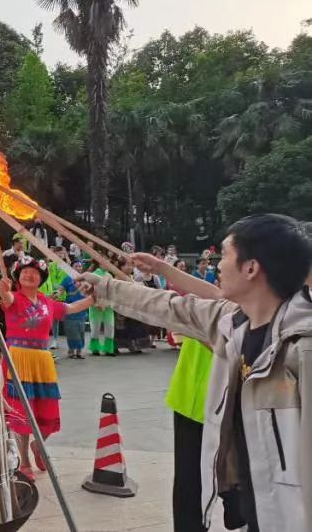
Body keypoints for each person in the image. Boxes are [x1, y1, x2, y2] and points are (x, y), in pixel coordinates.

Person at [80, 214, 312, 531]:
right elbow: (168, 305)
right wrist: (105, 288)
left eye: (226, 256)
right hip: (252, 495)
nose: (217, 265)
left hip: (292, 510)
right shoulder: (232, 322)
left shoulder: (301, 348)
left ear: (251, 268)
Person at [130, 251, 222, 532]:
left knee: (229, 484)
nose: (220, 268)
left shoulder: (250, 311)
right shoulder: (211, 301)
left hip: (225, 409)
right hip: (187, 402)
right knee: (187, 482)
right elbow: (160, 301)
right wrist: (158, 268)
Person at [0, 257, 93, 479]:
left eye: (34, 272)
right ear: (17, 277)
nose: (29, 275)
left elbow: (70, 307)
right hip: (18, 359)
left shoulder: (46, 302)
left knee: (48, 410)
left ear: (41, 278)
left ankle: (38, 446)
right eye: (24, 272)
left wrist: (94, 299)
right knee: (21, 411)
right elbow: (7, 297)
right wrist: (3, 291)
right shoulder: (15, 298)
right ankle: (24, 461)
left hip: (42, 360)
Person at [87, 265, 115, 356]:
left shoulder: (109, 275)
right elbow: (89, 290)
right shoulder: (93, 275)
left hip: (108, 305)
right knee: (95, 327)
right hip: (96, 305)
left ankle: (108, 349)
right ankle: (95, 349)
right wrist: (95, 303)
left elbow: (112, 291)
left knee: (110, 327)